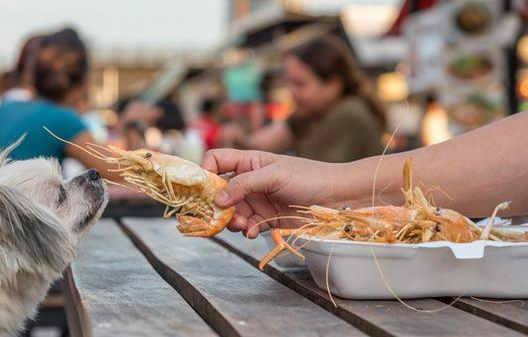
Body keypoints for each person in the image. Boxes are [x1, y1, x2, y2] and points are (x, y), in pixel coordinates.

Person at [202, 111, 528, 239]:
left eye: (301, 83)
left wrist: (337, 189)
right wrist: (337, 191)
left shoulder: (346, 117)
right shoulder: (303, 119)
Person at [0, 27, 116, 179]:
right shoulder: (63, 120)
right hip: (14, 203)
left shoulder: (5, 109)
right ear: (82, 83)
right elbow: (115, 172)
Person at [220, 35, 386, 163]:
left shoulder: (348, 115)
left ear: (333, 84)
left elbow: (314, 178)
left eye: (300, 84)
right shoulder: (310, 115)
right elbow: (259, 146)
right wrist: (239, 140)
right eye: (290, 83)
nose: (292, 92)